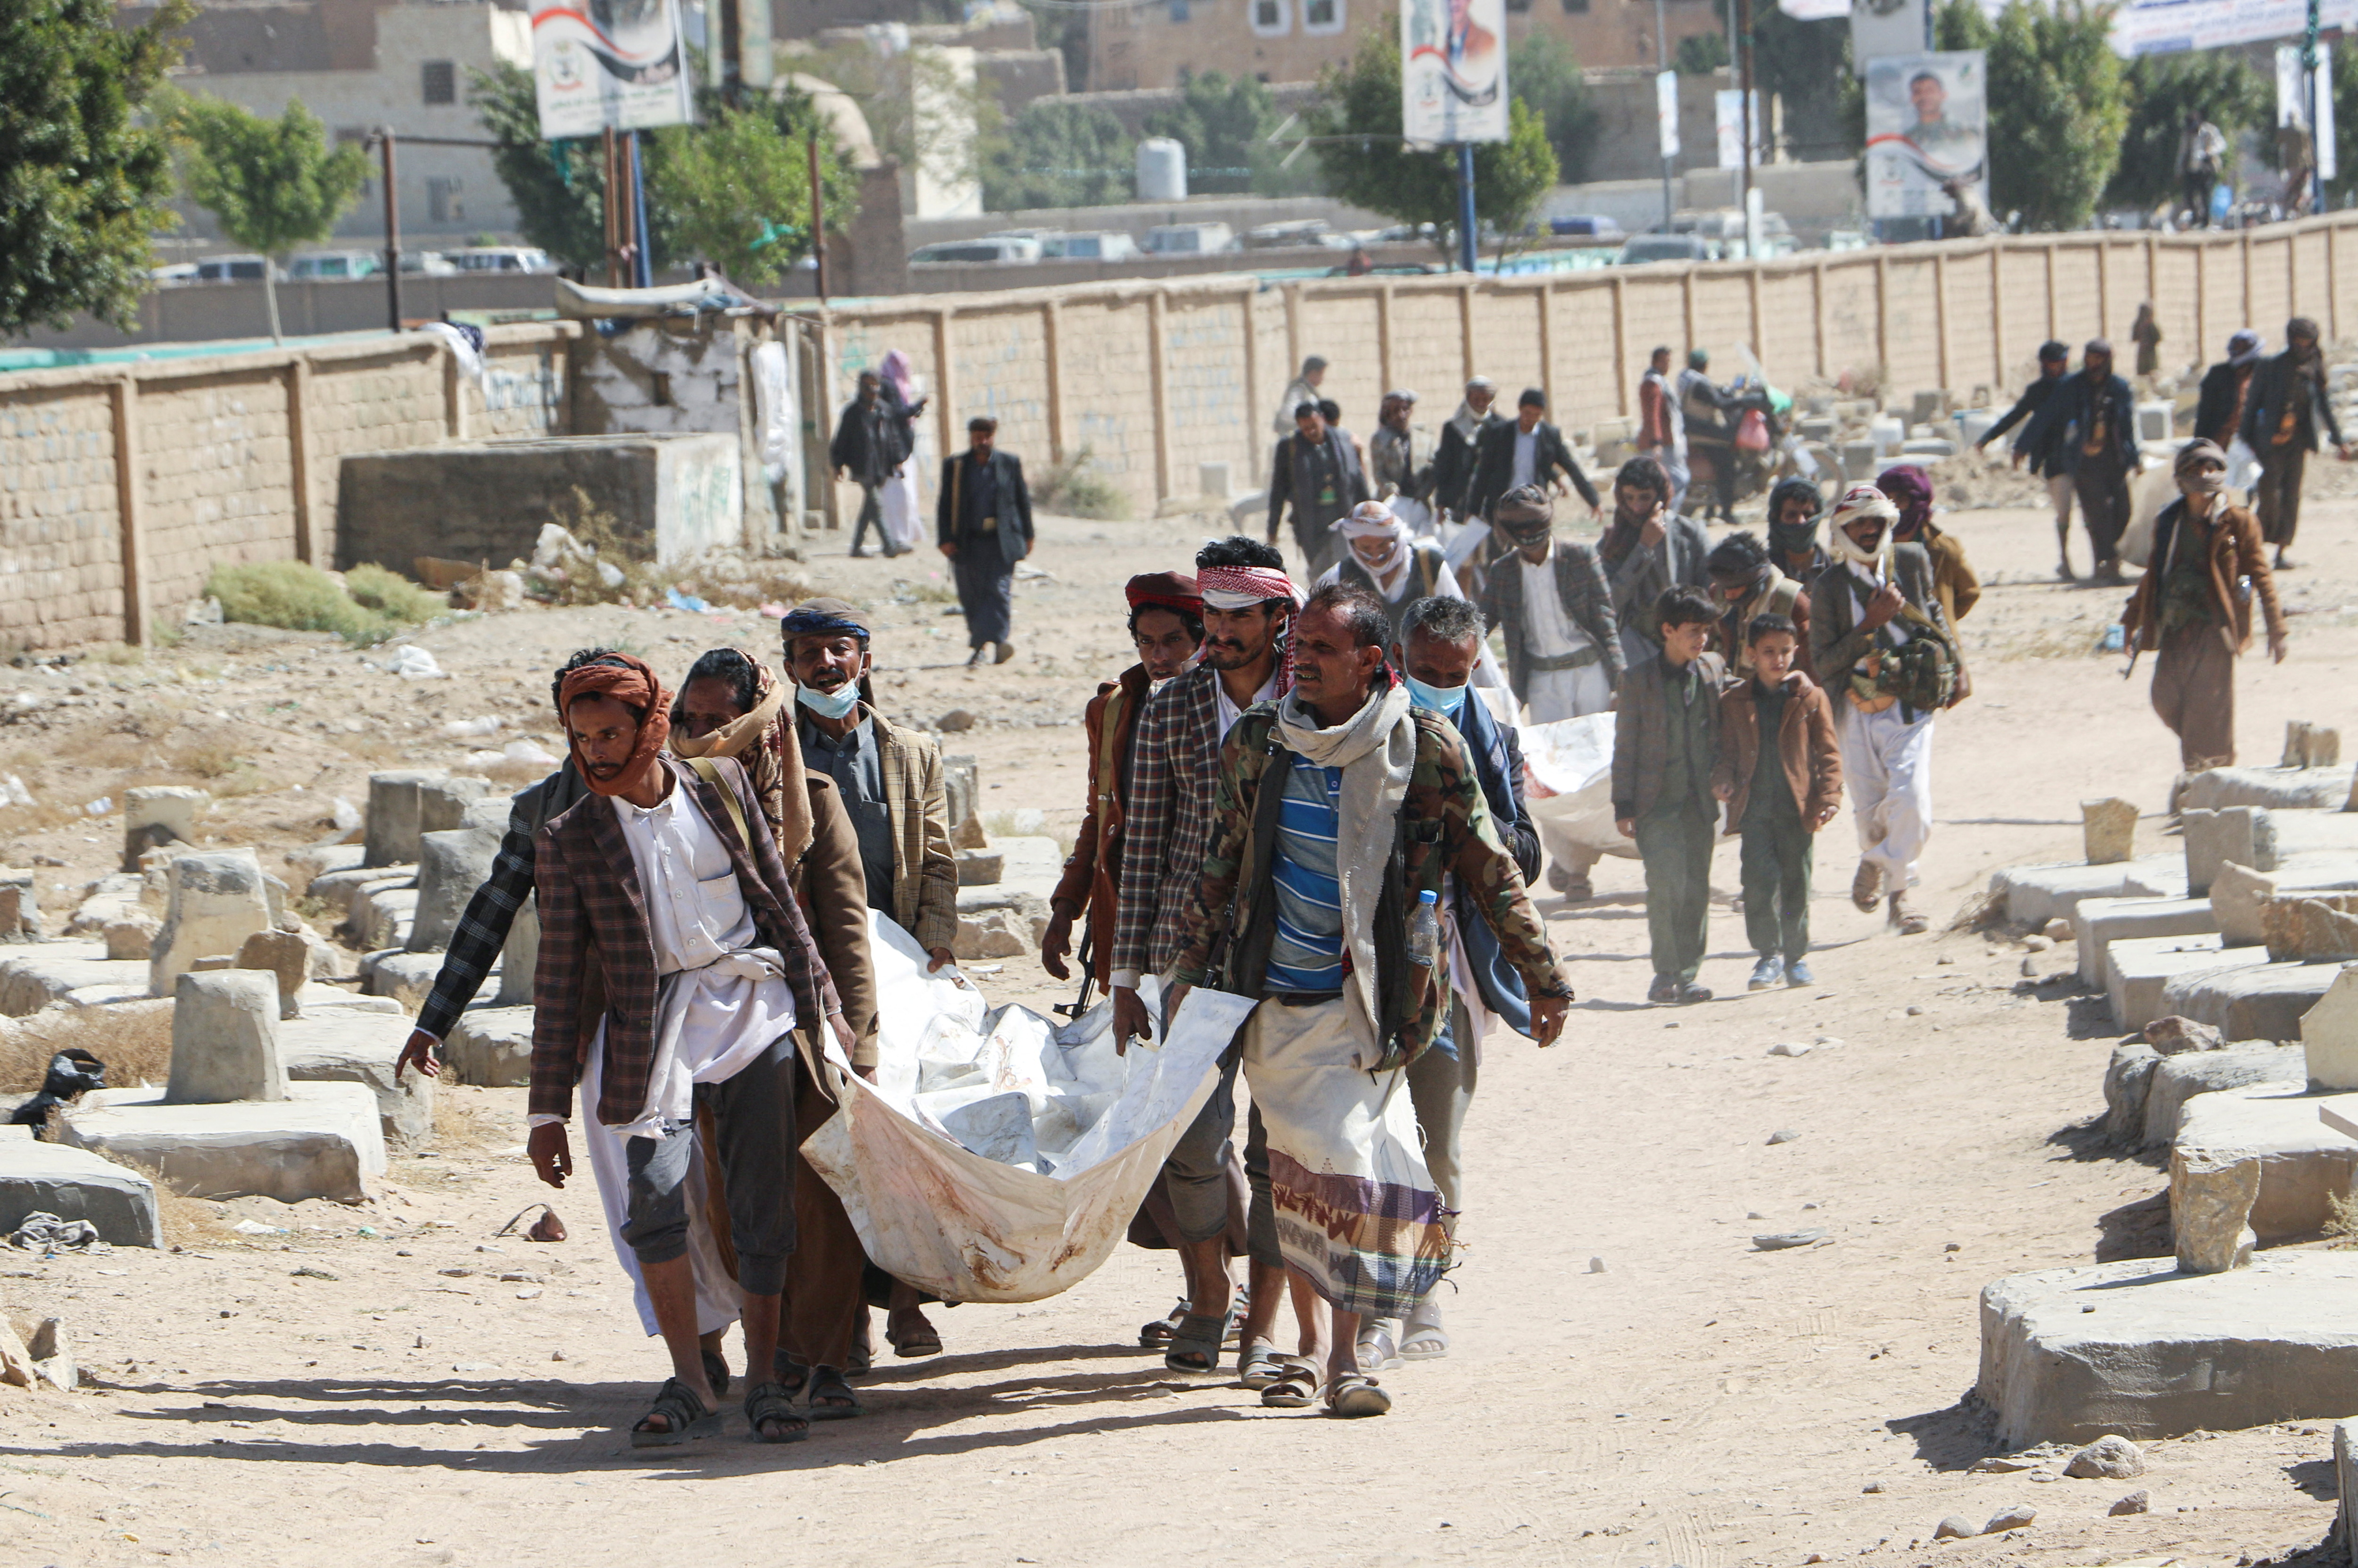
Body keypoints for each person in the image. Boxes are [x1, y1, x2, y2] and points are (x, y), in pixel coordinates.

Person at [1164, 581, 1570, 1415]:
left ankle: (1346, 1360)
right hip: (1273, 1000)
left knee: (1344, 1164)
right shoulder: (1261, 744)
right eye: (1298, 646)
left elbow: (1490, 865)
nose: (1300, 659)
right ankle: (1312, 1348)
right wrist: (1185, 977)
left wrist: (1544, 974)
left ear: (1370, 663)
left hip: (1376, 1001)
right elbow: (1219, 863)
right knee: (1294, 1174)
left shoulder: (1424, 748)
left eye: (1320, 648)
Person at [524, 652, 850, 1447]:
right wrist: (545, 1109)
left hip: (751, 1010)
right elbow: (559, 976)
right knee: (654, 1203)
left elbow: (781, 905)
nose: (597, 751)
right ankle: (693, 1378)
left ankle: (767, 1378)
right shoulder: (572, 837)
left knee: (761, 1204)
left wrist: (830, 1019)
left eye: (610, 733)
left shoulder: (720, 788)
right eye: (582, 736)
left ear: (653, 724)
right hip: (653, 1031)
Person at [1108, 537, 1299, 1384]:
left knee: (1281, 1145)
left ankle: (1265, 1317)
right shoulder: (1171, 708)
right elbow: (1141, 845)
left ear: (1275, 617)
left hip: (1296, 948)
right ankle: (1207, 1294)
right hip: (1189, 956)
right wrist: (1127, 976)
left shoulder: (1316, 698)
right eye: (1210, 616)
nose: (1218, 632)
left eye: (1235, 617)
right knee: (1191, 1138)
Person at [670, 649, 879, 1417]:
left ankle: (827, 1359)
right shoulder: (673, 801)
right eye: (690, 721)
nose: (703, 735)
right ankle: (777, 1349)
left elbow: (845, 932)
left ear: (757, 717)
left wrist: (861, 1045)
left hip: (807, 1036)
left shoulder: (812, 801)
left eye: (720, 720)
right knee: (736, 1200)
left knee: (824, 1199)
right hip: (715, 1038)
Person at [1036, 573, 1227, 1347]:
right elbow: (1106, 818)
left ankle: (1224, 1293)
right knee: (1154, 1124)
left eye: (1172, 642)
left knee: (1201, 1123)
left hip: (1199, 948)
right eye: (1145, 643)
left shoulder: (1226, 708)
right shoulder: (1114, 708)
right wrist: (1066, 906)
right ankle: (1204, 1286)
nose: (1158, 656)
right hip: (1128, 940)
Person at [783, 598, 960, 1362]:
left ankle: (910, 1303)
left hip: (897, 970)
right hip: (804, 970)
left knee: (908, 1133)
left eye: (840, 651)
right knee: (827, 1145)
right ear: (789, 667)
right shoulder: (772, 750)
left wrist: (938, 946)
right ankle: (846, 1317)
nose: (826, 666)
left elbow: (940, 857)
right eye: (810, 654)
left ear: (866, 658)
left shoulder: (911, 750)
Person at [1370, 593, 1544, 1367]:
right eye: (1427, 671)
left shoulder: (1491, 740)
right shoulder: (1357, 733)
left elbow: (1526, 853)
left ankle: (1425, 1295)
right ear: (1397, 661)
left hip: (1448, 969)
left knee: (1437, 1138)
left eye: (1458, 672)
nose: (1442, 683)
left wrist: (1469, 825)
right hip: (1359, 966)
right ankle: (1368, 1304)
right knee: (1361, 1141)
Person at [1808, 484, 1967, 937]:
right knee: (1872, 806)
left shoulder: (1912, 561)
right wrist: (1868, 627)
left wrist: (1958, 666)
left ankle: (1886, 876)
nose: (1868, 530)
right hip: (1855, 708)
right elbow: (1824, 661)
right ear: (1842, 530)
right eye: (1858, 523)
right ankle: (1895, 890)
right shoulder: (1830, 587)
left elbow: (1935, 614)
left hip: (1910, 701)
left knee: (1912, 801)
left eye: (1875, 522)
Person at [1478, 485, 1621, 900]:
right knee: (1554, 775)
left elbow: (1605, 618)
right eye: (1518, 527)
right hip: (1542, 683)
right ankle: (1574, 868)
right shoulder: (1504, 571)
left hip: (1590, 672)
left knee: (1597, 769)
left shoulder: (1581, 557)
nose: (1529, 535)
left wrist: (1620, 680)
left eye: (1535, 525)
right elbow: (1481, 626)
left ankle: (1595, 847)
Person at [2121, 439, 2289, 770]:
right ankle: (2209, 761)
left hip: (2215, 633)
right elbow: (2153, 576)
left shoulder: (2237, 521)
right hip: (2176, 631)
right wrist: (2129, 622)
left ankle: (2207, 777)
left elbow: (2261, 576)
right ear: (2182, 479)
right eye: (2198, 469)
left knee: (2209, 709)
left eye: (2213, 468)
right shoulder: (2170, 521)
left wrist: (2277, 630)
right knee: (2165, 700)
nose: (2206, 476)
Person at [1710, 614, 1842, 992]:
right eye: (1768, 651)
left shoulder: (1809, 698)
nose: (1778, 659)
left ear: (1796, 651)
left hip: (1798, 809)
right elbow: (1723, 754)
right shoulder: (1734, 702)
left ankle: (1796, 957)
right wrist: (1722, 781)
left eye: (1785, 651)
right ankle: (1767, 956)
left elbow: (1828, 753)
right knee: (1758, 883)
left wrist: (1830, 796)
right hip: (1754, 810)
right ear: (1751, 654)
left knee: (1796, 881)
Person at [1612, 585, 1727, 1006]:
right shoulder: (1638, 680)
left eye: (1707, 632)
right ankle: (1665, 973)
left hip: (1699, 803)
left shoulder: (1712, 670)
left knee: (1697, 886)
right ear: (1668, 629)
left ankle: (1689, 975)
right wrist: (1623, 805)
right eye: (1694, 631)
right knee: (1665, 886)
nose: (1703, 640)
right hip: (1655, 804)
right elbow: (1625, 746)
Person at [1316, 499, 1503, 693]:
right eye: (1366, 549)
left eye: (1382, 546)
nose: (1375, 556)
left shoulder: (1428, 566)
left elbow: (1464, 628)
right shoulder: (1339, 578)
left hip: (1430, 684)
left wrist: (1494, 689)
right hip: (1370, 690)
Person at [2241, 316, 2353, 570]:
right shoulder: (2270, 366)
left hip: (2299, 442)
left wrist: (2338, 440)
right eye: (2300, 342)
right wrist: (2245, 441)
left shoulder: (2314, 367)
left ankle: (2281, 551)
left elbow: (2323, 405)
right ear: (2291, 341)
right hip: (2269, 442)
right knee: (2269, 495)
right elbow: (2253, 405)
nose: (2304, 347)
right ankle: (2253, 549)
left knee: (2291, 496)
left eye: (2308, 343)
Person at [2021, 338, 2136, 582]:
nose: (2093, 364)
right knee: (2098, 513)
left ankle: (2108, 555)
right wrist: (2023, 445)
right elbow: (2045, 415)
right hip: (2084, 462)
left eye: (2098, 359)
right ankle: (2108, 564)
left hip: (2114, 458)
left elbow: (2127, 427)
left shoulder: (2119, 387)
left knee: (2123, 511)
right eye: (2089, 358)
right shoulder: (2072, 386)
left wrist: (2134, 457)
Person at [937, 415, 1034, 667]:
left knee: (999, 590)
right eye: (979, 437)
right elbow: (944, 505)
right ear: (971, 437)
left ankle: (999, 642)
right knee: (972, 595)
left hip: (1001, 542)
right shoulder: (956, 466)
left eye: (988, 437)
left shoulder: (1009, 464)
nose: (984, 442)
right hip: (967, 542)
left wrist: (1029, 535)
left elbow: (1022, 501)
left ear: (994, 437)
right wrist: (945, 539)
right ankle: (980, 645)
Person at [1598, 456, 1711, 669]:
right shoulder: (1613, 542)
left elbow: (1709, 591)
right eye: (1629, 498)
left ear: (1661, 496)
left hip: (1687, 641)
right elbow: (1610, 601)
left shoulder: (1691, 534)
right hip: (1636, 643)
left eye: (1645, 498)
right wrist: (1644, 548)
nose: (1637, 507)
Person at [1976, 340, 2076, 579]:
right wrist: (1988, 438)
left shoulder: (2078, 386)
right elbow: (2016, 416)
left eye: (2061, 362)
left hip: (2083, 456)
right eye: (2053, 363)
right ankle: (2065, 559)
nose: (2057, 367)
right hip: (2055, 458)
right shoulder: (2038, 391)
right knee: (2064, 512)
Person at [1266, 400, 1369, 578]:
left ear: (1322, 419)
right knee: (1320, 574)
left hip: (1343, 518)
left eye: (1314, 426)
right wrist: (1272, 529)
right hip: (1310, 525)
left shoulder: (1343, 441)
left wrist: (1369, 516)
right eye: (1305, 428)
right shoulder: (1290, 447)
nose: (1311, 432)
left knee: (1343, 571)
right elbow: (1278, 490)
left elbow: (1358, 481)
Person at [1468, 387, 1599, 523]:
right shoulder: (1500, 434)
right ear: (1520, 409)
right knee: (1499, 544)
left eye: (1536, 415)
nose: (1530, 419)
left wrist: (1593, 501)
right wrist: (1473, 510)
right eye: (1527, 413)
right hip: (1503, 505)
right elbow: (1484, 473)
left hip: (1534, 506)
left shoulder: (1549, 436)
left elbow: (1572, 468)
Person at [1876, 465, 1981, 625]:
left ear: (1916, 502)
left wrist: (1941, 623)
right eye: (1889, 501)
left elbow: (1970, 593)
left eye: (1901, 500)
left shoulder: (1944, 549)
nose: (1894, 508)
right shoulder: (1871, 546)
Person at [1705, 531, 1815, 683]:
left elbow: (1813, 666)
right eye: (1725, 587)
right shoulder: (1717, 596)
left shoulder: (1791, 602)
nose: (1728, 595)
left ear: (1754, 579)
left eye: (1735, 587)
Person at [830, 371, 908, 560]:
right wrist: (837, 464)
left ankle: (856, 546)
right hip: (862, 466)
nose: (872, 392)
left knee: (870, 508)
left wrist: (898, 460)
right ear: (861, 389)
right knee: (877, 505)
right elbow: (841, 440)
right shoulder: (852, 413)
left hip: (881, 466)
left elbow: (894, 437)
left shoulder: (883, 411)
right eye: (867, 387)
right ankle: (889, 545)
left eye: (875, 387)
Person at [876, 350, 931, 556]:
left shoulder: (897, 386)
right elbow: (898, 414)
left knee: (905, 494)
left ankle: (906, 534)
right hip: (895, 450)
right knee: (899, 495)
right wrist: (917, 406)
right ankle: (898, 538)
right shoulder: (889, 387)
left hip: (901, 448)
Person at [1428, 376, 1503, 522]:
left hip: (1491, 499)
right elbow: (1444, 466)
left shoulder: (1500, 427)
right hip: (1460, 499)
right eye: (1476, 399)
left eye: (1486, 399)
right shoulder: (1453, 428)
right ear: (1468, 398)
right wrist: (1441, 504)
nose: (1481, 403)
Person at [1678, 349, 1738, 524]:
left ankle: (1711, 508)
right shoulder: (1699, 383)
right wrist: (1743, 401)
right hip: (1699, 431)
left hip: (1694, 427)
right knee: (1727, 460)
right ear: (1705, 365)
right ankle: (1727, 510)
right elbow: (1718, 403)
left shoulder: (1687, 378)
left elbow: (1714, 394)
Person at [1636, 346, 1691, 517]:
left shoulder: (1660, 381)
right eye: (1665, 361)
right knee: (1678, 479)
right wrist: (1657, 442)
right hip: (1662, 444)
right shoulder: (1652, 383)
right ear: (1656, 362)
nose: (1668, 365)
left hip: (1669, 441)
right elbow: (1652, 415)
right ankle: (1665, 515)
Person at [2194, 330, 2264, 459]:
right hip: (2222, 439)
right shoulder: (2218, 375)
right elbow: (2205, 413)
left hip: (2253, 442)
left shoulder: (2263, 376)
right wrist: (2200, 445)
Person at [1370, 390, 1432, 528]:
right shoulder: (1380, 440)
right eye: (1396, 410)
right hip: (1393, 503)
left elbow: (1433, 469)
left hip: (1419, 502)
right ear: (1388, 414)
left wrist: (1424, 492)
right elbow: (1379, 473)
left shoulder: (1424, 437)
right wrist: (1392, 490)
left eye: (1405, 409)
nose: (1401, 415)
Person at [1765, 477, 1831, 590]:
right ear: (1776, 519)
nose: (1801, 522)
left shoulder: (1835, 568)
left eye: (1808, 515)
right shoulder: (1765, 571)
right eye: (1791, 515)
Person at [2179, 107, 2226, 227]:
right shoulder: (2187, 135)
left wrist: (2209, 152)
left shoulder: (2210, 131)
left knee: (2205, 195)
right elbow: (2182, 152)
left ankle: (2206, 221)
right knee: (2189, 195)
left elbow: (2222, 144)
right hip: (2191, 169)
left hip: (2206, 168)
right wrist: (2179, 170)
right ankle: (2195, 218)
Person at [1273, 355, 1328, 437]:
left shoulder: (1309, 391)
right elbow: (1288, 415)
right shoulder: (1299, 390)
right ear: (1313, 373)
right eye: (1321, 374)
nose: (1323, 378)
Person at [2131, 301, 2164, 383]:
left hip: (2150, 352)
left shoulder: (2151, 324)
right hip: (2144, 353)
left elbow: (2158, 338)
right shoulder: (2139, 324)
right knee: (2143, 376)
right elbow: (2134, 338)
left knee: (2152, 374)